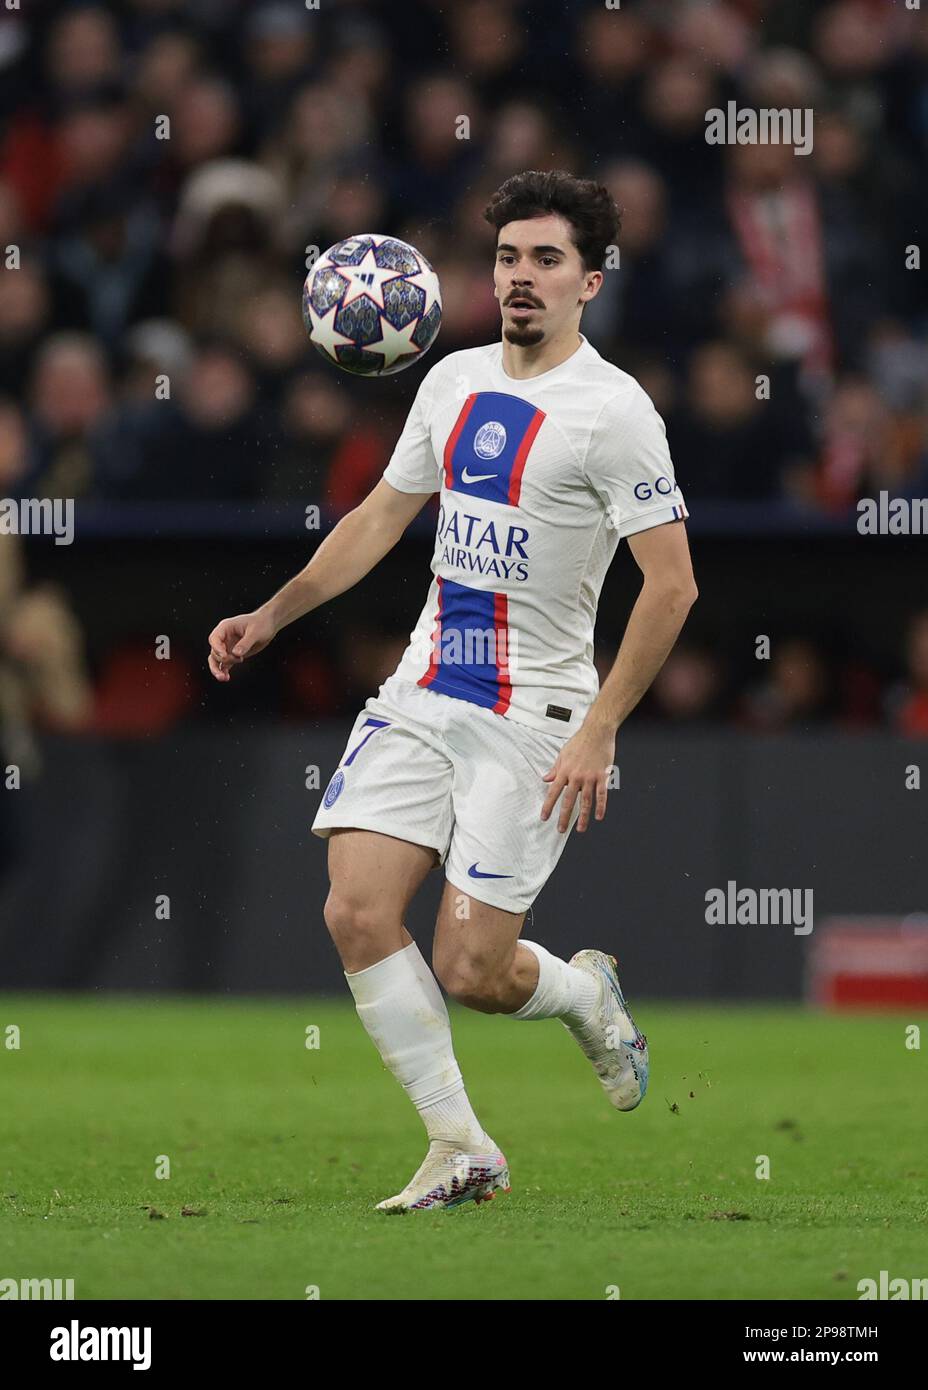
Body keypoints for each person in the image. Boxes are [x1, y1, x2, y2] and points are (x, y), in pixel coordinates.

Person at [207, 171, 698, 1212]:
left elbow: (673, 584)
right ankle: (459, 1144)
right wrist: (272, 613)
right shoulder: (453, 379)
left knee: (474, 968)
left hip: (536, 716)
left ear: (589, 283)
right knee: (353, 909)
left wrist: (601, 727)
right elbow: (382, 518)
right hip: (424, 686)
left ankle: (582, 993)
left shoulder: (614, 414)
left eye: (546, 260)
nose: (521, 278)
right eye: (509, 257)